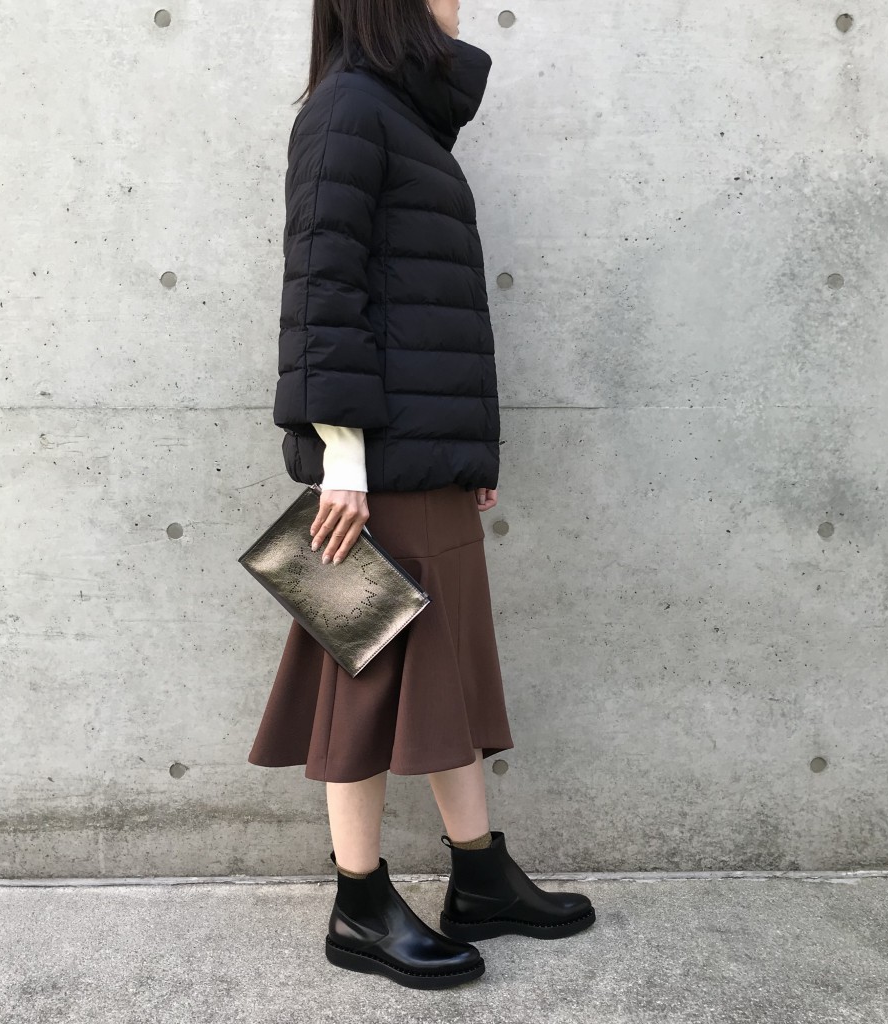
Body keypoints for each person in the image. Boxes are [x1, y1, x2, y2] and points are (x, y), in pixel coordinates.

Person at [247, 0, 595, 990]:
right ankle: (359, 902)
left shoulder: (398, 114)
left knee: (448, 677)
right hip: (371, 476)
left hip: (420, 462)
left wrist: (464, 449)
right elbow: (322, 293)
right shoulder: (347, 109)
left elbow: (425, 305)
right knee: (363, 680)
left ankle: (478, 876)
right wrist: (341, 460)